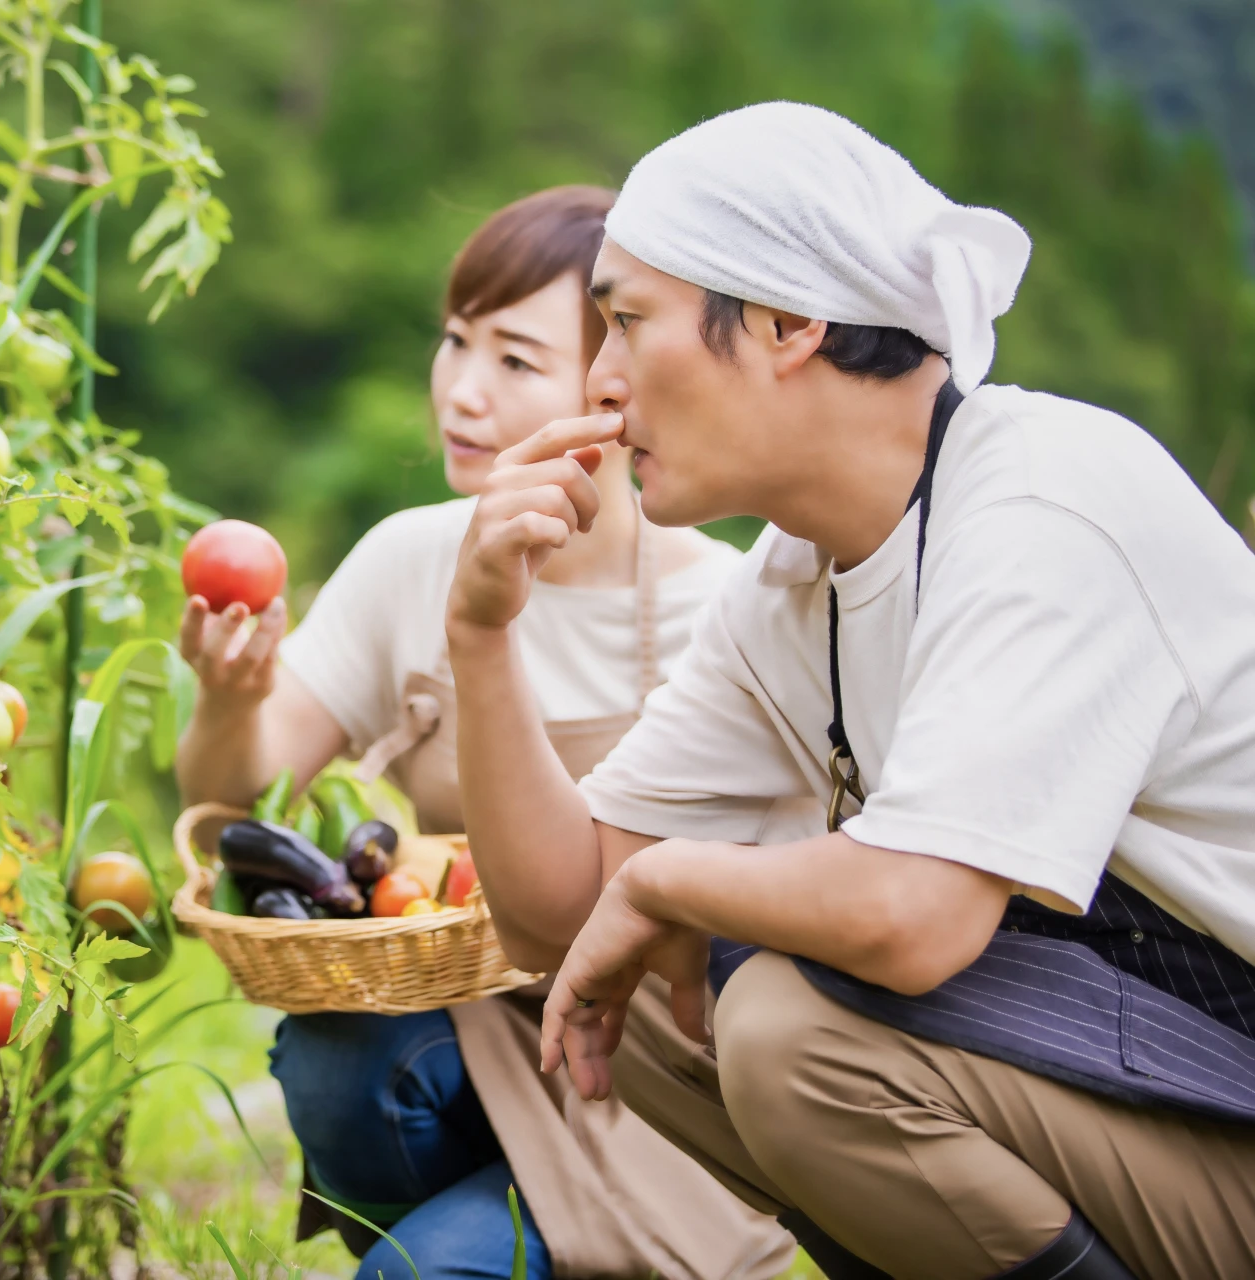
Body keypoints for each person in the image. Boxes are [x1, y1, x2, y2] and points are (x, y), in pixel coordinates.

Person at [447, 101, 1255, 1280]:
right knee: (673, 1010)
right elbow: (557, 915)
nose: (602, 384)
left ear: (784, 321)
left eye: (625, 323)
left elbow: (915, 918)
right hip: (1143, 1070)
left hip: (1224, 1073)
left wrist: (671, 877)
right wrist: (480, 631)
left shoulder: (1044, 504)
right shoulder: (793, 579)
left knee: (788, 1034)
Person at [175, 187, 796, 1280]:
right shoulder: (414, 557)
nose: (462, 391)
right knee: (333, 1058)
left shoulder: (728, 606)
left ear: (614, 389)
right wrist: (232, 695)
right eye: (456, 340)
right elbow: (235, 800)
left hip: (656, 1084)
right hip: (470, 1031)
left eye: (514, 360)